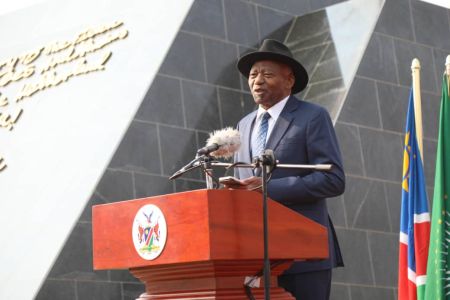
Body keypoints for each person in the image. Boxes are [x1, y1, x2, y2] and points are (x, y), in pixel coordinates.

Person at [226, 39, 345, 300]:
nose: (257, 81)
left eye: (267, 74)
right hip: (254, 257)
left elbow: (333, 179)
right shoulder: (244, 125)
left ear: (289, 80)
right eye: (253, 74)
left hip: (303, 253)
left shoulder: (312, 116)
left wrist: (267, 189)